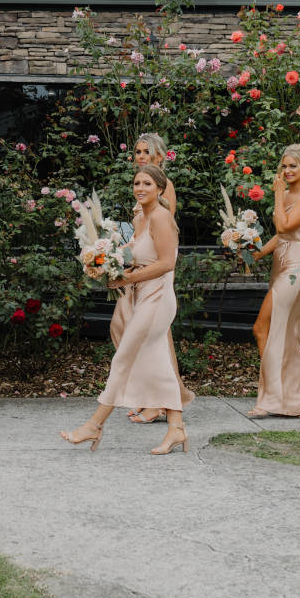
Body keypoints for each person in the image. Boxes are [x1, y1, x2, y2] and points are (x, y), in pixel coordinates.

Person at [60, 165, 187, 455]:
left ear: (159, 188)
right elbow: (137, 256)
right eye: (136, 183)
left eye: (147, 184)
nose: (140, 188)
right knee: (159, 362)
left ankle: (94, 425)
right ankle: (177, 428)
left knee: (124, 357)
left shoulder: (161, 217)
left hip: (157, 298)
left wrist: (127, 277)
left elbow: (167, 263)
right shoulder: (142, 217)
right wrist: (109, 266)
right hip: (141, 295)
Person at [246, 144, 300, 418]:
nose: (287, 171)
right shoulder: (288, 194)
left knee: (262, 327)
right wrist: (257, 253)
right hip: (280, 265)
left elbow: (284, 226)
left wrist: (278, 195)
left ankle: (274, 398)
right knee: (285, 332)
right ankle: (293, 399)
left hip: (297, 268)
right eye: (284, 166)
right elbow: (280, 236)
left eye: (293, 166)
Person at [126, 133, 194, 424]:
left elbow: (164, 232)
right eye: (138, 151)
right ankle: (159, 397)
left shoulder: (165, 188)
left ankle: (160, 401)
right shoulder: (143, 186)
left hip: (158, 266)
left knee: (156, 333)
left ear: (159, 157)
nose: (141, 156)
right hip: (142, 266)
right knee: (148, 334)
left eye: (147, 152)